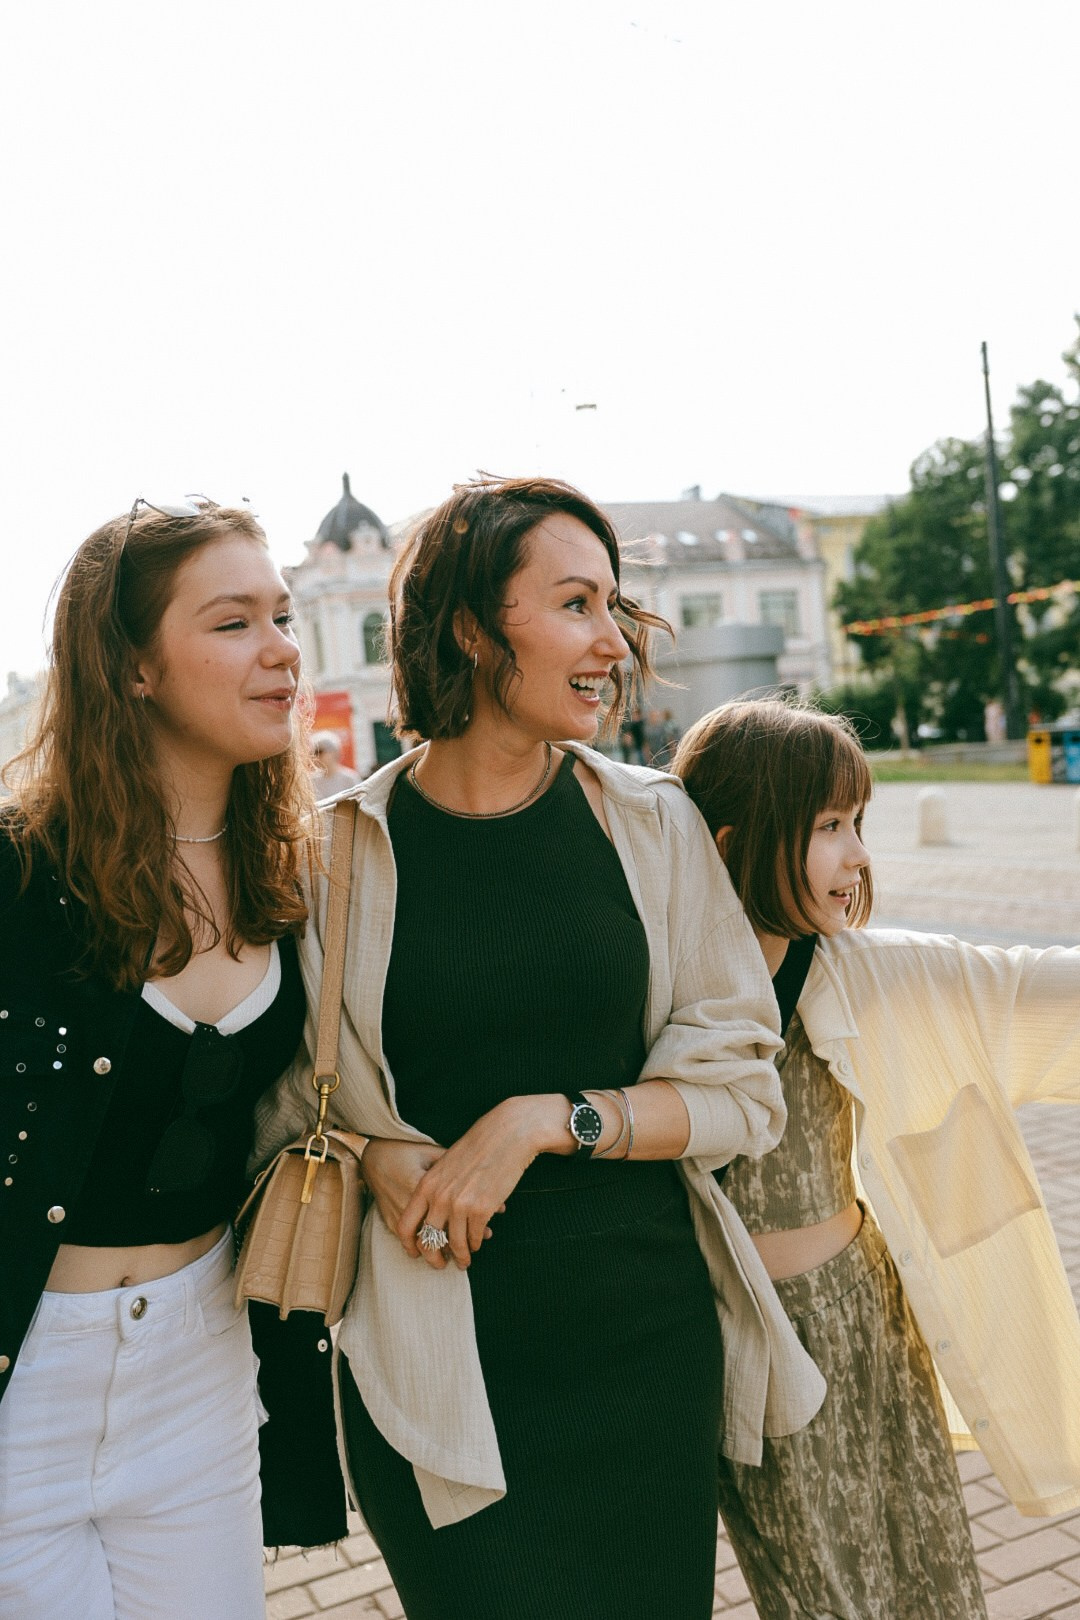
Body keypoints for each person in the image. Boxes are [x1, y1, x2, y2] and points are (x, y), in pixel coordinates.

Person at [253, 475, 826, 1620]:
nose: (613, 641)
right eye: (576, 605)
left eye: (616, 608)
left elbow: (740, 1094)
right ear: (471, 627)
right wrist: (374, 1155)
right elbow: (278, 1106)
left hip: (639, 1352)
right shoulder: (336, 851)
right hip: (431, 1367)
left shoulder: (653, 820)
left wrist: (541, 1121)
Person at [672, 697, 1080, 1620]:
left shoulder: (860, 968)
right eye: (829, 827)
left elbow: (1023, 989)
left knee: (930, 1566)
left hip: (869, 1310)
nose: (858, 854)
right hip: (760, 1345)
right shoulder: (662, 994)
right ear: (736, 840)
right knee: (825, 1594)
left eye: (859, 824)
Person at [0, 497, 324, 1618]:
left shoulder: (297, 872)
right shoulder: (19, 875)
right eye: (234, 623)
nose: (283, 648)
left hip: (203, 1357)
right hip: (26, 1373)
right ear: (133, 669)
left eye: (282, 615)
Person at [310, 729, 361, 797]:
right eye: (314, 753)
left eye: (320, 752)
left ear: (333, 752)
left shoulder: (350, 779)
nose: (316, 757)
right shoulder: (313, 781)